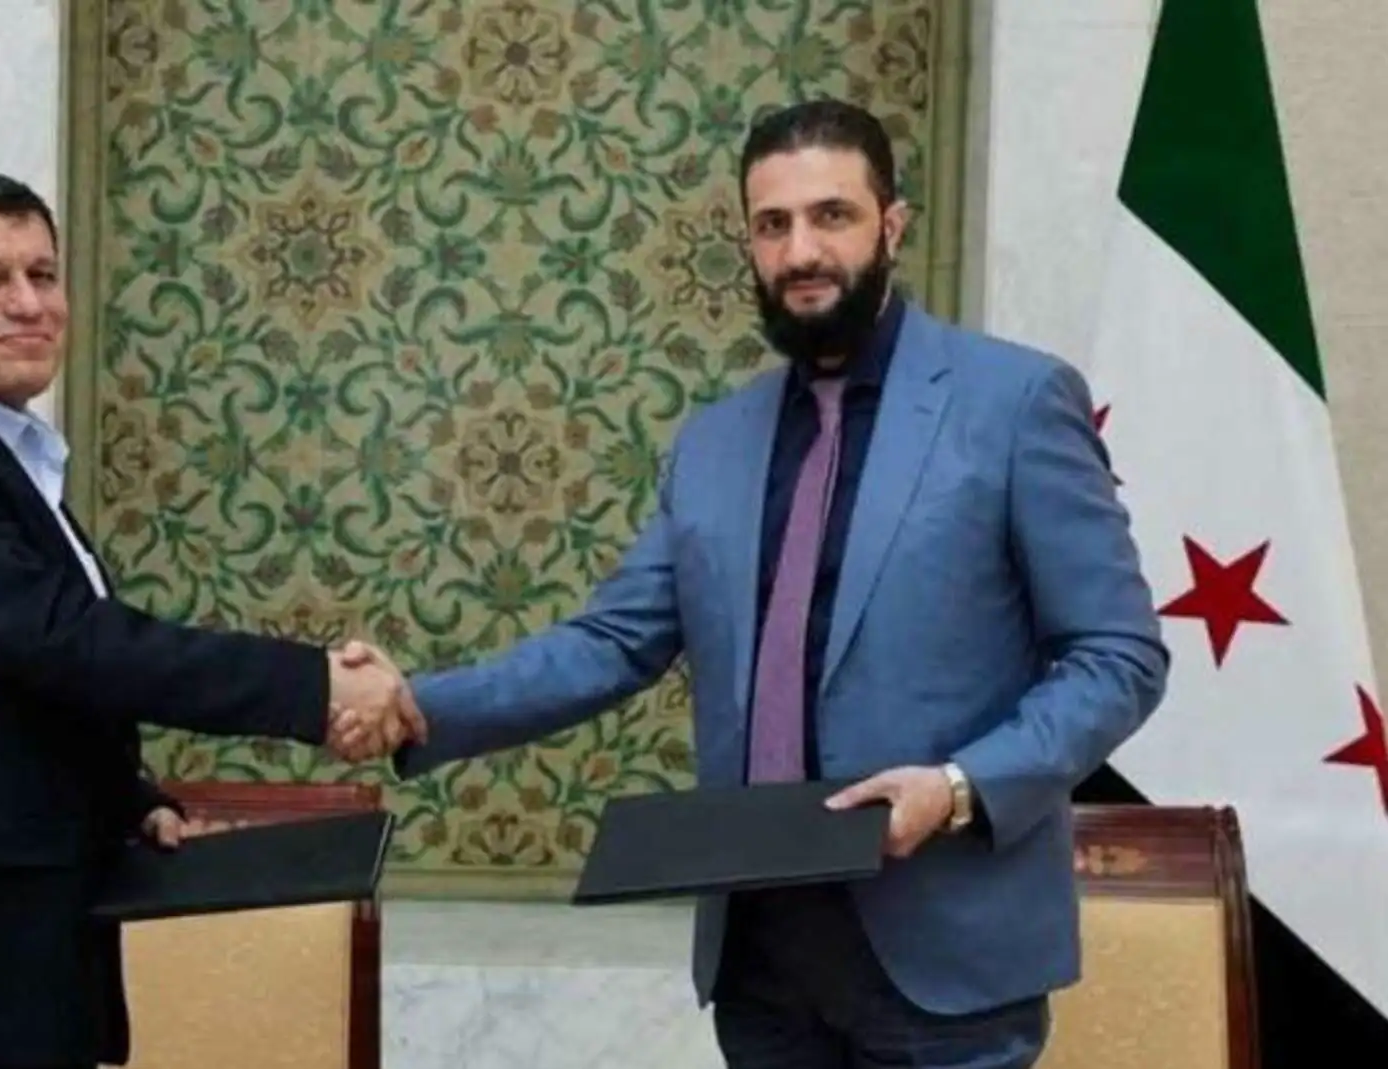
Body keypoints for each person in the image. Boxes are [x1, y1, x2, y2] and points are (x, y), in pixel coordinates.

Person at [336, 100, 1168, 1068]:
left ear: (891, 226)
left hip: (944, 961)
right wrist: (413, 704)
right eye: (773, 225)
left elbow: (1119, 656)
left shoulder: (1016, 402)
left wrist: (955, 788)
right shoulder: (713, 444)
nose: (801, 250)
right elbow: (611, 641)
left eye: (832, 216)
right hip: (763, 962)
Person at [0, 169, 420, 1069]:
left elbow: (9, 691)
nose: (28, 303)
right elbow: (71, 642)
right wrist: (315, 685)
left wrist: (125, 801)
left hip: (6, 946)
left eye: (44, 274)